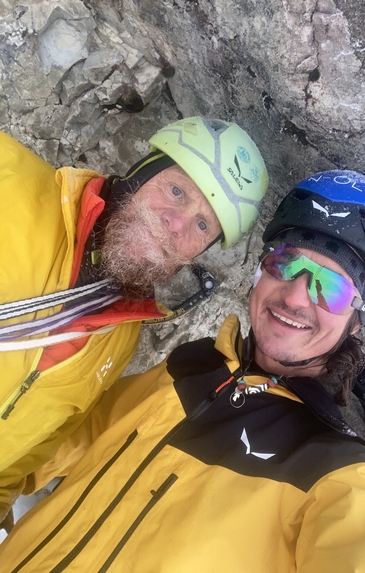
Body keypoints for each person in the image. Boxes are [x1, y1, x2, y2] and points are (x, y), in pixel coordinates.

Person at [0, 171, 365, 573]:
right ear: (258, 272)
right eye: (283, 265)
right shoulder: (192, 369)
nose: (294, 297)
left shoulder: (349, 478)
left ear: (357, 319)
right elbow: (67, 436)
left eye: (331, 287)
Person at [0, 116, 268, 532]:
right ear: (141, 174)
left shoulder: (118, 337)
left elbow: (33, 444)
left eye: (202, 225)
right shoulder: (8, 180)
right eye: (176, 190)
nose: (176, 225)